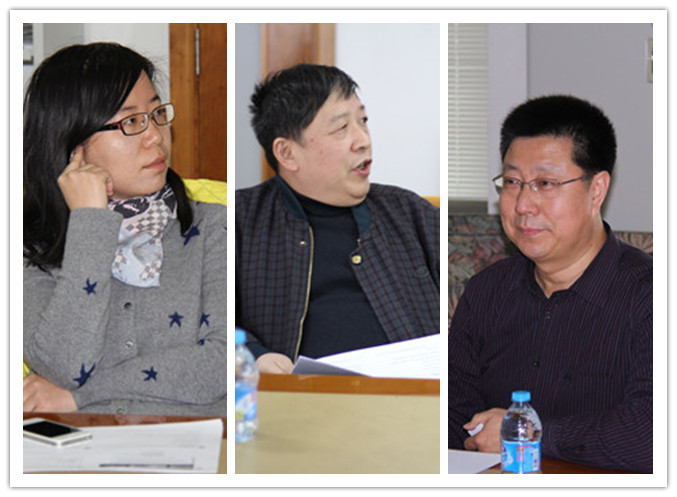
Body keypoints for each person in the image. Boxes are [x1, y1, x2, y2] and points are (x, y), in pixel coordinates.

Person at [448, 95, 652, 473]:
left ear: (596, 190)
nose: (523, 204)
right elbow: (452, 418)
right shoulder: (486, 292)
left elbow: (654, 432)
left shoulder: (651, 295)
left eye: (545, 183)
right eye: (513, 182)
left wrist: (527, 434)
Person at [23, 42, 227, 416]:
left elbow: (221, 364)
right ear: (70, 144)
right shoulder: (29, 249)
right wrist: (90, 223)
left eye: (157, 113)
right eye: (131, 122)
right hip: (80, 450)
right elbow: (65, 365)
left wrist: (81, 397)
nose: (156, 136)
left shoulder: (215, 227)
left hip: (199, 448)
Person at [236, 64, 440, 374]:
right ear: (287, 153)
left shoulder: (411, 214)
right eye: (341, 128)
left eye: (363, 121)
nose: (363, 140)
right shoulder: (240, 223)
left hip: (415, 395)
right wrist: (253, 355)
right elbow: (209, 322)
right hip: (300, 398)